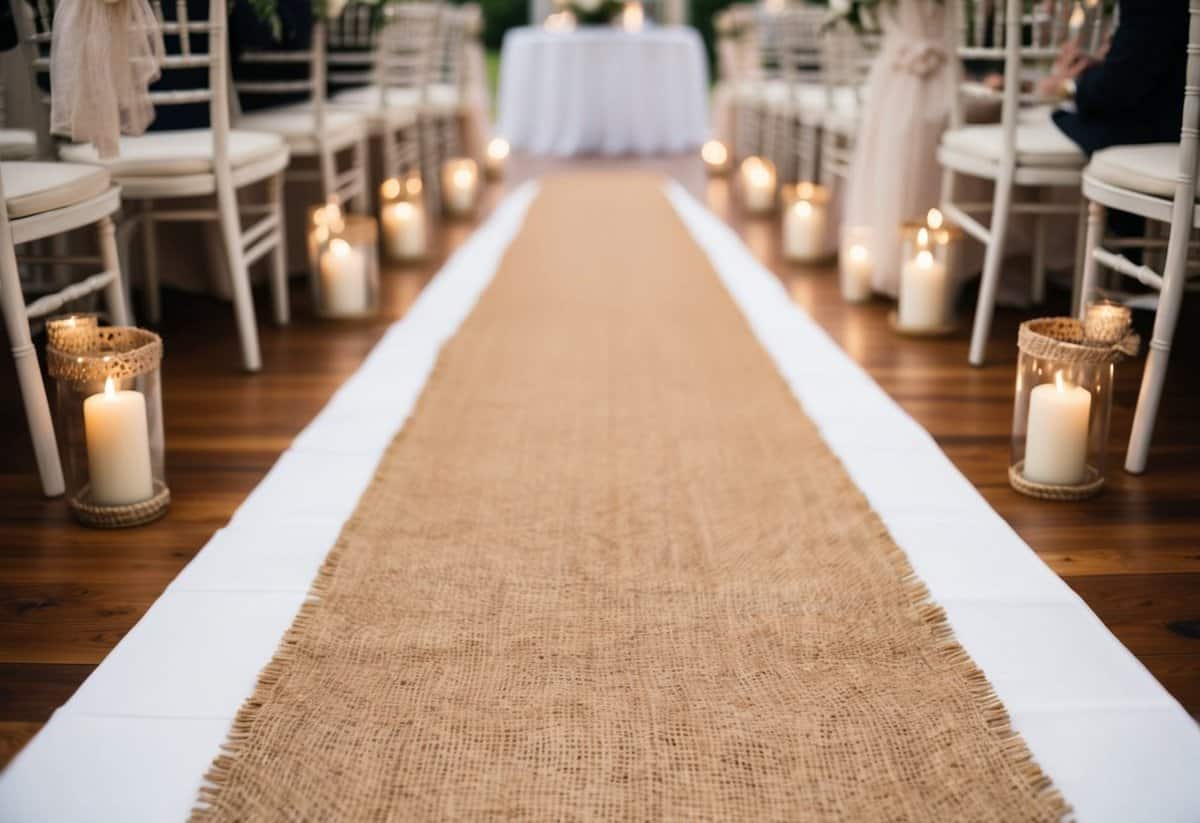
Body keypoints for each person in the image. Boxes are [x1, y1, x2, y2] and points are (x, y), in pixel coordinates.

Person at [1040, 0, 1189, 156]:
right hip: (1166, 123)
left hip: (1155, 132)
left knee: (1036, 128)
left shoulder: (1148, 5)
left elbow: (1110, 92)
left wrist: (1070, 83)